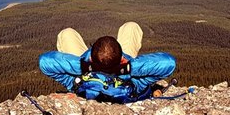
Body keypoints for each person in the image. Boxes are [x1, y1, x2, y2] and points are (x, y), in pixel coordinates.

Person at [38, 22, 176, 102]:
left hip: (85, 83)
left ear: (91, 58)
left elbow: (45, 62)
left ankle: (99, 58)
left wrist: (85, 66)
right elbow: (168, 63)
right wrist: (126, 67)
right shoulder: (135, 80)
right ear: (121, 58)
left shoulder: (78, 75)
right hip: (126, 82)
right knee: (131, 26)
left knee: (66, 33)